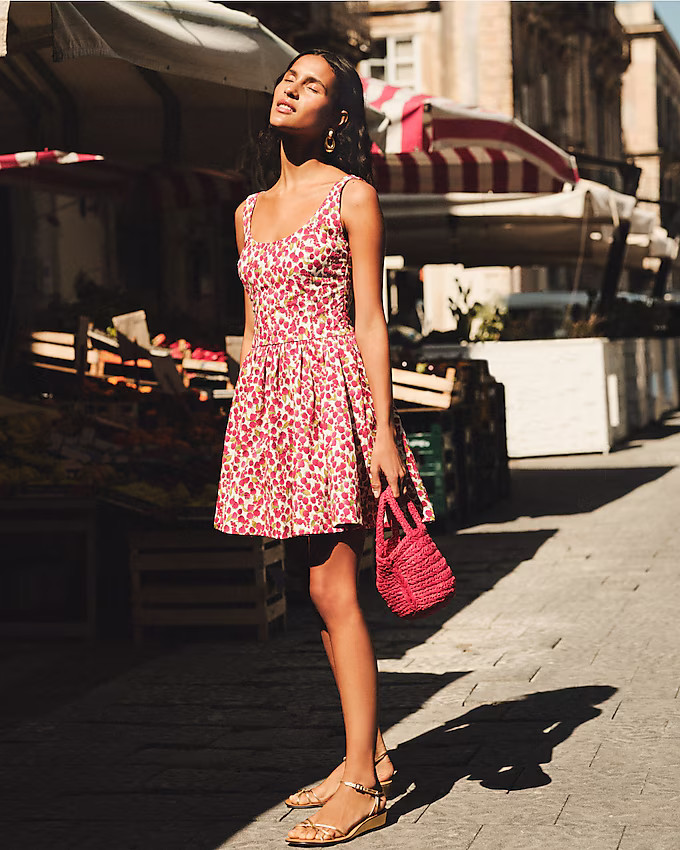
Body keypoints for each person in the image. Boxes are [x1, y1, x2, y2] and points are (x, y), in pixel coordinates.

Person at [214, 48, 435, 846]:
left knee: (337, 591)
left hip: (333, 404)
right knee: (315, 590)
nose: (288, 89)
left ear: (337, 116)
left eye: (309, 86)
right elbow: (251, 327)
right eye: (287, 78)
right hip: (275, 411)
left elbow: (370, 321)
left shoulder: (354, 196)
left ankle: (360, 787)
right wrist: (247, 418)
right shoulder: (243, 210)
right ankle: (366, 754)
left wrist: (380, 429)